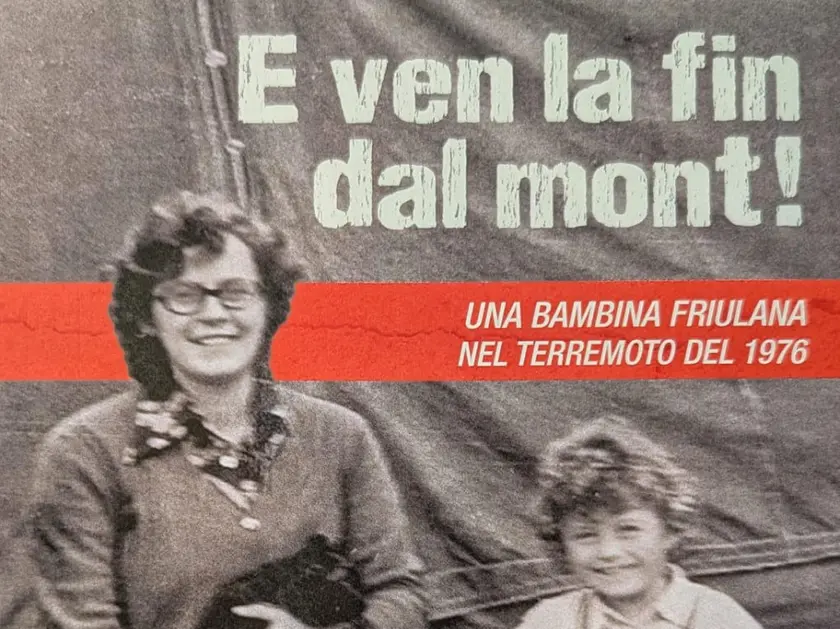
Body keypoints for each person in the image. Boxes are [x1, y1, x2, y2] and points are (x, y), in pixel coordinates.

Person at [28, 191, 427, 629]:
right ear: (145, 316)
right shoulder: (85, 453)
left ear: (268, 307)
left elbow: (401, 591)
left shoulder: (342, 436)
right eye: (184, 295)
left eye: (236, 293)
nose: (213, 313)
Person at [516, 417, 763, 629]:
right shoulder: (551, 620)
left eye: (629, 529)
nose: (608, 552)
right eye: (586, 535)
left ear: (670, 530)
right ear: (561, 543)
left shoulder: (717, 616)